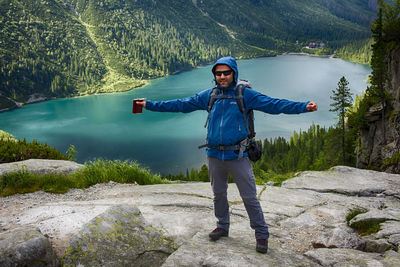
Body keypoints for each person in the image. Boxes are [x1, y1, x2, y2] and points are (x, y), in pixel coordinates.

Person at [135, 56, 318, 254]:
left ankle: (261, 234)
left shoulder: (245, 94)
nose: (222, 77)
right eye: (218, 73)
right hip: (214, 155)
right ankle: (223, 226)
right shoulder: (210, 95)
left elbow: (275, 105)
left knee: (249, 197)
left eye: (226, 73)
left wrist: (303, 107)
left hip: (238, 155)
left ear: (234, 73)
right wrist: (149, 104)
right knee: (218, 194)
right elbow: (181, 104)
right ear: (215, 75)